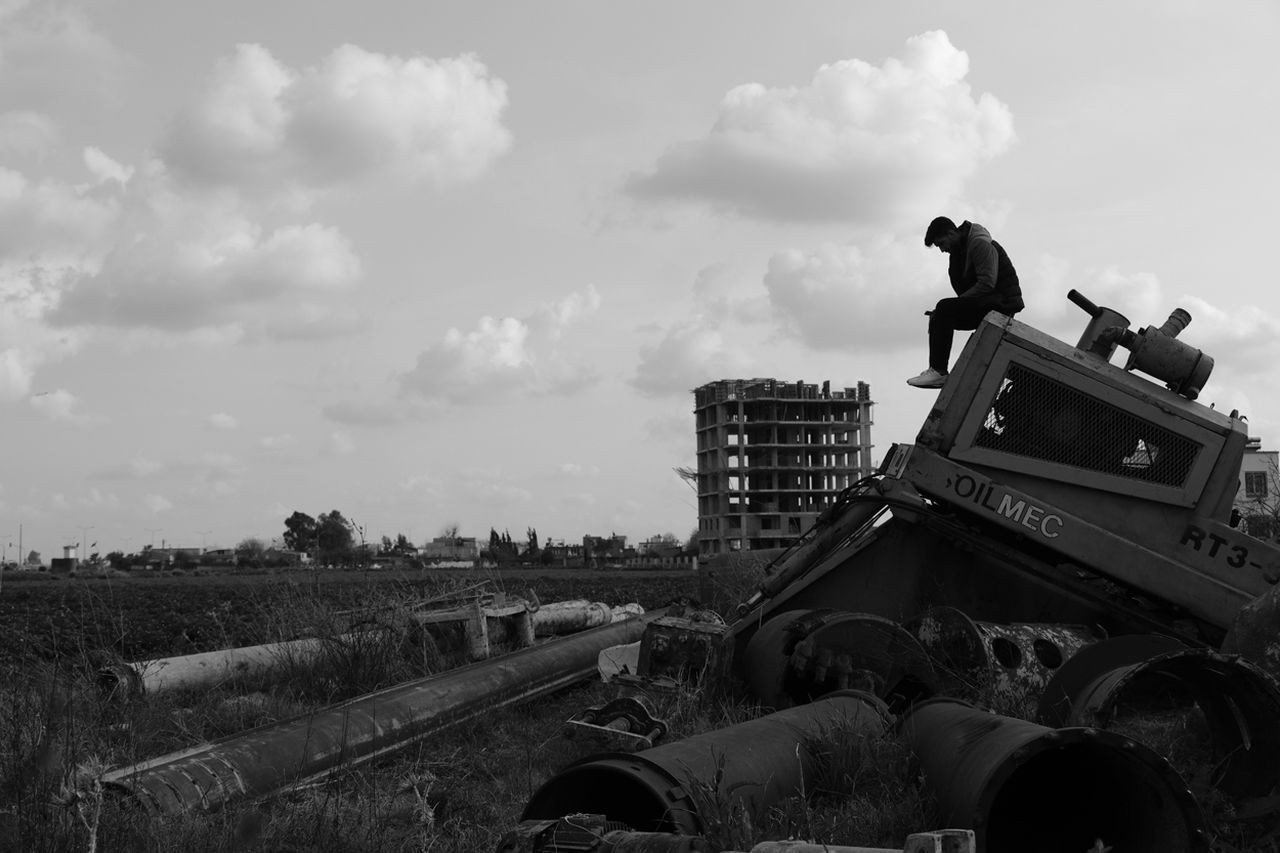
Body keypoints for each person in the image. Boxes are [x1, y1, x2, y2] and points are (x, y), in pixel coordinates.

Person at [907, 216, 1024, 389]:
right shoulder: (958, 252)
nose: (942, 250)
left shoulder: (980, 244)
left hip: (1001, 303)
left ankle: (938, 371)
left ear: (951, 233)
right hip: (988, 302)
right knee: (940, 314)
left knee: (944, 308)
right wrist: (940, 315)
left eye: (941, 243)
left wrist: (950, 308)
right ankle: (936, 369)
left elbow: (986, 283)